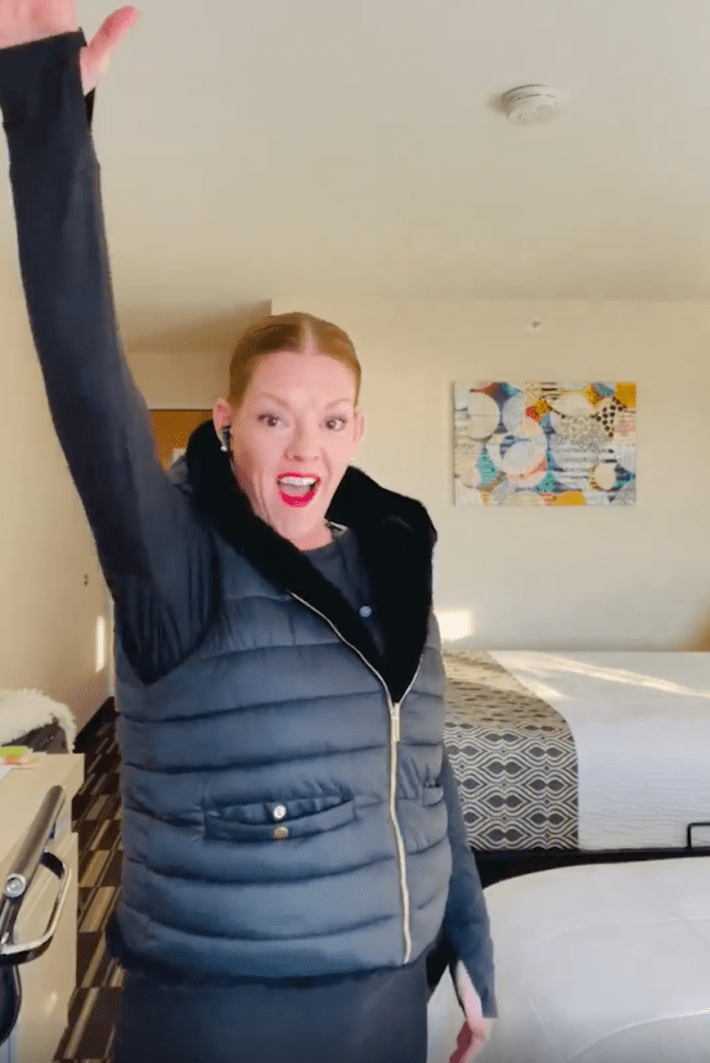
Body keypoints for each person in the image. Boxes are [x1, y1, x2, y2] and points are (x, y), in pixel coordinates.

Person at [0, 5, 497, 1061]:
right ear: (227, 427)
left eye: (326, 417)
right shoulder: (173, 561)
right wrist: (45, 107)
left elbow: (426, 776)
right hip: (227, 1007)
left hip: (387, 991)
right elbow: (89, 382)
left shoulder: (392, 561)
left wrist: (466, 952)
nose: (300, 443)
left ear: (356, 429)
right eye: (272, 415)